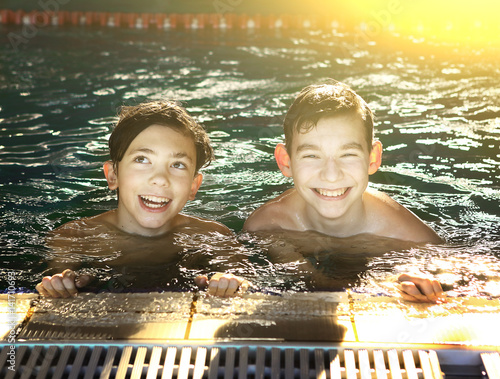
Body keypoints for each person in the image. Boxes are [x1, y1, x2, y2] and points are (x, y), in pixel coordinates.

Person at [243, 80, 445, 303]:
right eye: (311, 155)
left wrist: (416, 282)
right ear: (286, 161)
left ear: (373, 158)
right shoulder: (269, 226)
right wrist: (380, 284)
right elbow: (311, 283)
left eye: (348, 155)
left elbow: (454, 274)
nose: (331, 175)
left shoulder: (404, 232)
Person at [36, 100, 249, 298]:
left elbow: (247, 284)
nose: (159, 179)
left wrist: (231, 283)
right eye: (142, 159)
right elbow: (51, 287)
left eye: (177, 165)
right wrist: (59, 285)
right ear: (113, 175)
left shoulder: (215, 237)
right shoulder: (74, 238)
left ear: (194, 186)